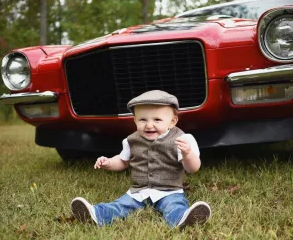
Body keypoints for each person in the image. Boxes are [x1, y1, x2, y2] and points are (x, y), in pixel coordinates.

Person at [71, 90, 211, 228]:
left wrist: (187, 154)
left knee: (174, 206)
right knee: (121, 205)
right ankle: (96, 214)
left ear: (172, 121)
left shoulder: (182, 140)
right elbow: (122, 161)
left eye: (157, 120)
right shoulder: (131, 140)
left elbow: (193, 168)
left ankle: (183, 219)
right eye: (143, 119)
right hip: (139, 191)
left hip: (169, 190)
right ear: (135, 120)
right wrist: (108, 163)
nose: (149, 125)